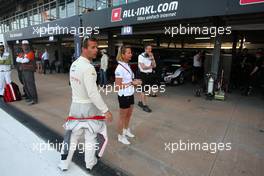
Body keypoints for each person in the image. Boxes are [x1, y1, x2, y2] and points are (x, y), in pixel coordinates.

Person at [58, 37, 113, 171]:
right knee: (90, 136)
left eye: (97, 47)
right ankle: (89, 163)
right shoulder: (89, 68)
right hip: (88, 107)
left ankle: (64, 164)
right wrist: (105, 110)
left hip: (75, 106)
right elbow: (92, 93)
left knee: (73, 137)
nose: (96, 50)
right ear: (84, 49)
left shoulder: (74, 64)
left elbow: (74, 86)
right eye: (93, 47)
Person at [115, 45, 142, 145]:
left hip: (130, 93)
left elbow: (128, 80)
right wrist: (132, 83)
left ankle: (126, 130)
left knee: (129, 115)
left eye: (131, 52)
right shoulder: (119, 68)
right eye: (128, 53)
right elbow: (118, 86)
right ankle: (120, 136)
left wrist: (135, 81)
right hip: (123, 95)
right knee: (122, 117)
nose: (131, 54)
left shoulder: (127, 65)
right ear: (122, 55)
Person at [16, 40, 38, 105]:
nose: (24, 46)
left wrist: (22, 58)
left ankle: (34, 99)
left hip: (29, 71)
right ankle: (30, 97)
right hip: (23, 71)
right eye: (23, 45)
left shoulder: (30, 53)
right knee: (26, 85)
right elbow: (17, 59)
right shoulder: (23, 53)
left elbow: (25, 61)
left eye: (25, 45)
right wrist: (22, 58)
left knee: (30, 85)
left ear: (28, 46)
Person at [137, 45, 156, 113]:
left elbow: (155, 65)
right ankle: (144, 105)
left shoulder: (150, 56)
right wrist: (151, 66)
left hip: (149, 75)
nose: (150, 50)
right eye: (148, 49)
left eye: (151, 49)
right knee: (143, 91)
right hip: (142, 74)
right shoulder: (141, 56)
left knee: (144, 90)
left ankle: (140, 102)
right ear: (145, 49)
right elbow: (143, 67)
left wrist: (152, 58)